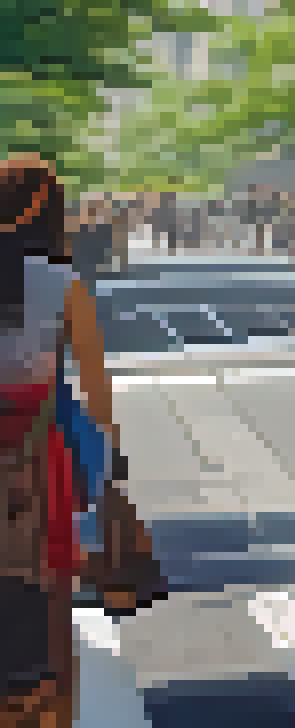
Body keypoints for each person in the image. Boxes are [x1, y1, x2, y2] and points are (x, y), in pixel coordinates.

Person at [0, 158, 123, 728]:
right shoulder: (61, 282)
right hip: (33, 446)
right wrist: (107, 455)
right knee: (44, 581)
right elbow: (98, 391)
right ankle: (37, 693)